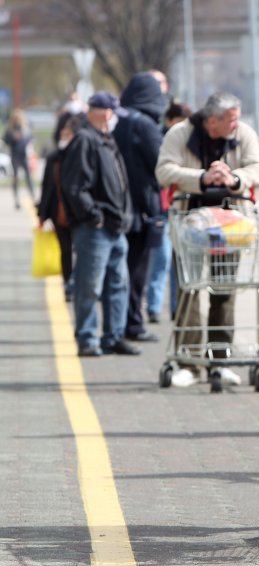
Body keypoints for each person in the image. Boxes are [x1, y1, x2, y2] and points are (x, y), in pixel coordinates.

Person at [155, 92, 259, 387]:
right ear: (212, 120)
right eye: (231, 119)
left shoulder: (244, 134)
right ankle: (189, 362)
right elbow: (164, 170)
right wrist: (204, 177)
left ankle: (220, 358)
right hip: (189, 223)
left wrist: (232, 178)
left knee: (225, 289)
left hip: (230, 225)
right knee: (189, 290)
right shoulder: (180, 134)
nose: (236, 124)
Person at [61, 91, 141, 357]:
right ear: (104, 112)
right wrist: (93, 216)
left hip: (115, 226)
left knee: (118, 284)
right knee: (89, 286)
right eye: (113, 113)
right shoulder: (85, 140)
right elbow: (74, 187)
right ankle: (87, 338)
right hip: (96, 228)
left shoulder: (105, 139)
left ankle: (113, 336)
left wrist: (124, 215)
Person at [114, 72, 169, 343]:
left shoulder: (117, 120)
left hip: (116, 207)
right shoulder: (145, 125)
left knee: (117, 270)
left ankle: (116, 325)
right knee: (137, 270)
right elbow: (161, 165)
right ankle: (133, 324)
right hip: (143, 209)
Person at [146, 101, 192, 324]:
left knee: (178, 262)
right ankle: (154, 307)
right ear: (169, 121)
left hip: (180, 209)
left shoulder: (190, 141)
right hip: (161, 210)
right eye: (178, 122)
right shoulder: (159, 141)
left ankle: (176, 308)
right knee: (161, 259)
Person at [37, 114, 86, 302]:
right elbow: (46, 186)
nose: (64, 138)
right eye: (62, 134)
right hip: (58, 212)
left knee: (81, 250)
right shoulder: (54, 158)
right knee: (65, 250)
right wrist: (42, 214)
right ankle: (68, 284)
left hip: (79, 213)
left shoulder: (82, 155)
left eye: (68, 134)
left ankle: (78, 282)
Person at [3, 109, 36, 209]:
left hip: (25, 155)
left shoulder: (26, 128)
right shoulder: (10, 129)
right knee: (15, 178)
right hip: (15, 155)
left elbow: (32, 139)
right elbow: (6, 140)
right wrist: (13, 138)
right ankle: (16, 200)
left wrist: (29, 145)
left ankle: (33, 197)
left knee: (29, 177)